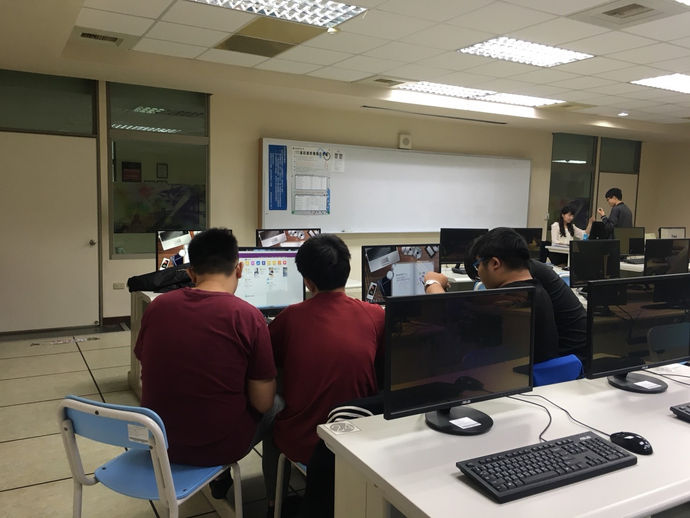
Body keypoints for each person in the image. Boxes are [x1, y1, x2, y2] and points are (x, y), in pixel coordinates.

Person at [134, 228, 278, 495]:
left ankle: (220, 479)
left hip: (159, 440)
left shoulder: (157, 307)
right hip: (218, 448)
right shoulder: (248, 316)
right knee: (279, 403)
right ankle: (274, 497)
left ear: (190, 273)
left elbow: (147, 362)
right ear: (239, 269)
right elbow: (263, 403)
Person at [264, 234, 385, 516]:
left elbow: (268, 363)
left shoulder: (289, 318)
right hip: (359, 434)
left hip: (305, 441)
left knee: (272, 419)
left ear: (308, 282)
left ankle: (273, 504)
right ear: (347, 271)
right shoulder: (375, 315)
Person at [424, 227, 559, 363]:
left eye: (478, 265)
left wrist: (432, 283)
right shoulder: (538, 291)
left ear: (495, 263)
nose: (479, 273)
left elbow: (446, 317)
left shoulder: (515, 299)